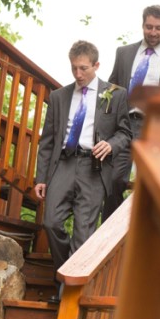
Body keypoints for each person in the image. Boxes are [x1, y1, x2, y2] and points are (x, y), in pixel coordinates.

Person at [34, 41, 132, 302]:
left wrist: (110, 145)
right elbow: (47, 141)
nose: (78, 74)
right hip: (63, 164)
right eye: (74, 68)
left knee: (84, 232)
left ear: (96, 66)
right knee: (51, 222)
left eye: (84, 68)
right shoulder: (58, 96)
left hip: (93, 168)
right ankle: (65, 270)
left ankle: (67, 291)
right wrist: (41, 178)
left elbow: (125, 133)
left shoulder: (116, 94)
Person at [102, 5, 160, 221]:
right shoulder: (123, 53)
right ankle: (106, 237)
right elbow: (111, 88)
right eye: (149, 27)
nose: (153, 32)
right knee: (113, 180)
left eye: (158, 28)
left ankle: (136, 236)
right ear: (142, 25)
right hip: (123, 126)